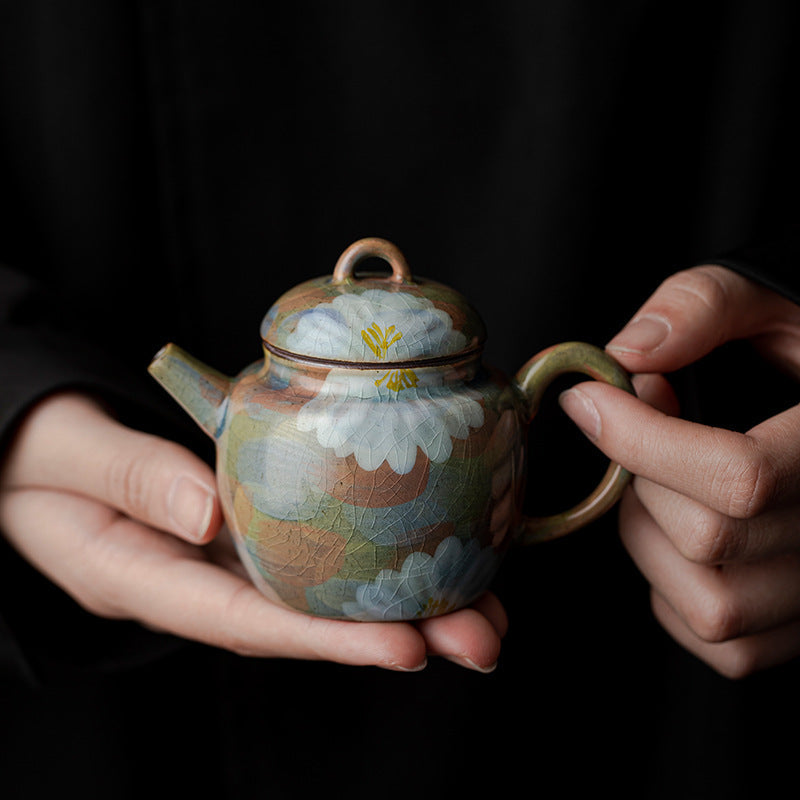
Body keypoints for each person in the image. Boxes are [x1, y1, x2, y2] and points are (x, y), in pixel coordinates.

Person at [1, 2, 799, 797]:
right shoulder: (259, 394)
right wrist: (15, 387)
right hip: (126, 720)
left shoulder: (476, 397)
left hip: (612, 695)